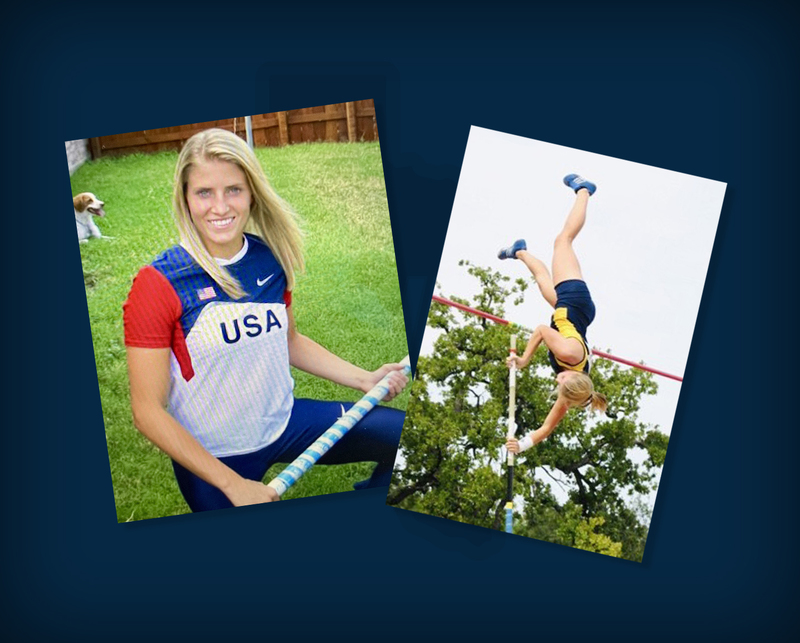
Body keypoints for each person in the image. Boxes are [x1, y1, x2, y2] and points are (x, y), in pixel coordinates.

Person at [122, 128, 408, 513]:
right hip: (218, 458)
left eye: (233, 190)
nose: (220, 207)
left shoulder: (268, 258)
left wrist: (364, 378)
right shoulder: (158, 284)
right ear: (186, 198)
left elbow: (289, 340)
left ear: (252, 192)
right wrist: (233, 484)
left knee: (405, 437)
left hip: (286, 424)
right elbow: (147, 411)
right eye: (204, 192)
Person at [499, 174, 608, 455]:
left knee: (541, 277)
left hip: (569, 314)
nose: (557, 381)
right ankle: (584, 189)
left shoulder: (574, 392)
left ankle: (519, 251)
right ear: (574, 378)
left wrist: (521, 445)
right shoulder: (570, 356)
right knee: (563, 241)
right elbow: (541, 331)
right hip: (574, 300)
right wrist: (523, 360)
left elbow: (546, 428)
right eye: (562, 382)